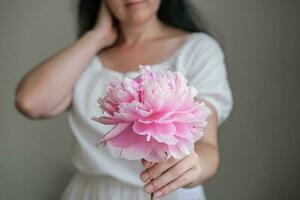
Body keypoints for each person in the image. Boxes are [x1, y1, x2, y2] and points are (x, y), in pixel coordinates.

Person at [15, 0, 233, 199]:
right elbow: (29, 102)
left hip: (168, 193)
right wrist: (97, 36)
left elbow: (206, 146)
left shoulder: (197, 49)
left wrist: (193, 168)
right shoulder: (87, 60)